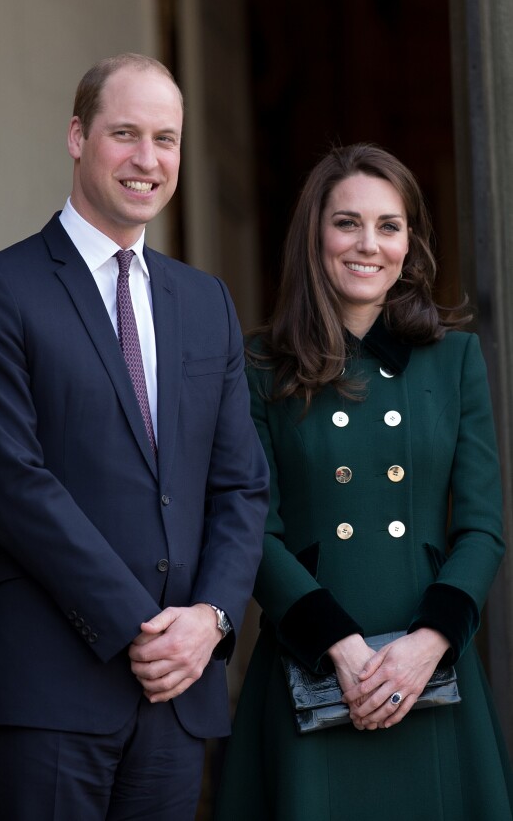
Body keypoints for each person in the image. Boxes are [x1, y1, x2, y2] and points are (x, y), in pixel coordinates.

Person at [0, 52, 269, 821]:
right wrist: (138, 626)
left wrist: (212, 620)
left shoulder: (205, 302)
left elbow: (240, 484)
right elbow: (12, 482)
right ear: (77, 136)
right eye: (126, 134)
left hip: (176, 696)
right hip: (51, 689)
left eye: (167, 138)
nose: (148, 160)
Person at [215, 143, 513, 820]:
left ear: (410, 243)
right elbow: (252, 528)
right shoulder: (261, 366)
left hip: (431, 671)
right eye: (347, 222)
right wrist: (340, 649)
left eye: (389, 225)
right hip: (312, 670)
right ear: (314, 234)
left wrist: (426, 647)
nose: (368, 244)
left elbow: (482, 527)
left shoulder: (455, 358)